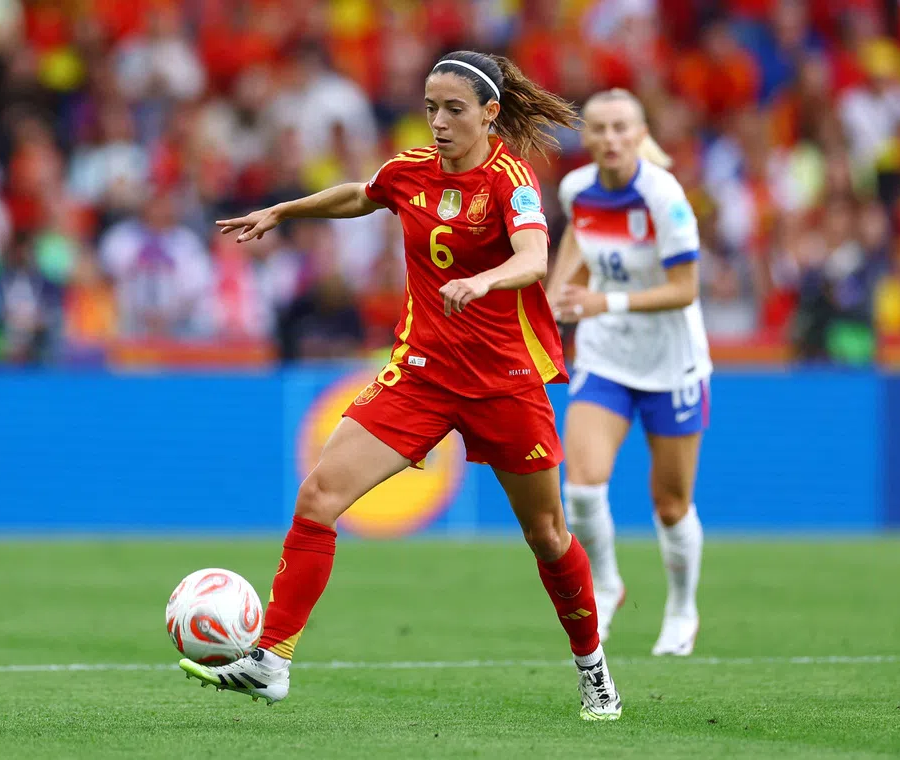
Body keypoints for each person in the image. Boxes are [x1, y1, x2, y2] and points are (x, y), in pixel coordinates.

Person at [179, 51, 623, 721]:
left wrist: (485, 279)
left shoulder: (510, 180)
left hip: (505, 382)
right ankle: (271, 660)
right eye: (430, 109)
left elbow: (534, 255)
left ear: (490, 114)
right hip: (422, 373)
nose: (439, 123)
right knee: (320, 494)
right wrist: (286, 210)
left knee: (548, 535)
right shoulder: (411, 170)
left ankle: (593, 669)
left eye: (453, 111)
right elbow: (364, 194)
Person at [546, 89, 710, 656]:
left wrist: (601, 304)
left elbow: (686, 289)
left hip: (671, 365)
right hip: (607, 357)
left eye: (621, 127)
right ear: (586, 138)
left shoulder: (664, 198)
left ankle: (682, 608)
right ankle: (609, 584)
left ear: (640, 134)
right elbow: (579, 237)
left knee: (670, 504)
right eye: (598, 128)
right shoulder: (577, 190)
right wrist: (555, 295)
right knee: (582, 487)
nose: (610, 138)